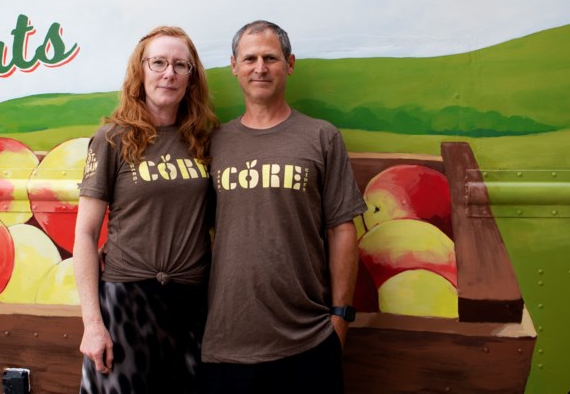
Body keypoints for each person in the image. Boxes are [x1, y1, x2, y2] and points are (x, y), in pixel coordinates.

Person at [199, 20, 368, 394]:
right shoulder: (214, 143)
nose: (260, 68)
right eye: (250, 58)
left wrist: (340, 320)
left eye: (270, 58)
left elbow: (342, 229)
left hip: (307, 341)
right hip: (226, 345)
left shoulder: (321, 137)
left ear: (289, 64)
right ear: (234, 66)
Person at [74, 25, 219, 394]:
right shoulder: (111, 139)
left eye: (180, 65)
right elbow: (86, 234)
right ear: (140, 71)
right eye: (158, 63)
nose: (168, 73)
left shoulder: (205, 142)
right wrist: (93, 324)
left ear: (191, 77)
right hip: (127, 301)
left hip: (191, 304)